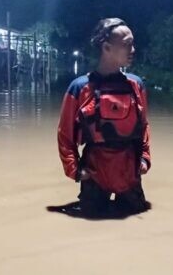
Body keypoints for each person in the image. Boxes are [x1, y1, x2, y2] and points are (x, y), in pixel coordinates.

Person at [57, 18, 151, 217]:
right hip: (95, 172)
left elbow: (143, 127)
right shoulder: (79, 88)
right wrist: (75, 170)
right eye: (127, 45)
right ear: (107, 48)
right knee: (90, 226)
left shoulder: (137, 85)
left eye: (133, 44)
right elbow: (65, 134)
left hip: (129, 172)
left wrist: (144, 159)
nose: (133, 49)